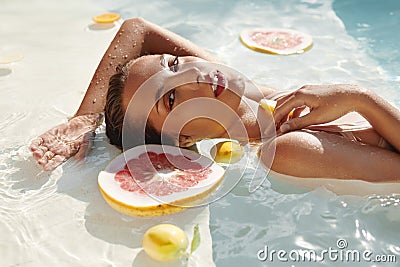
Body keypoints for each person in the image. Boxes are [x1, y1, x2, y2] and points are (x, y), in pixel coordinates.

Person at [30, 17, 400, 182]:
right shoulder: (289, 150)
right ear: (185, 140)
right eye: (172, 97)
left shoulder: (247, 90)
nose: (195, 73)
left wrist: (84, 118)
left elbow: (136, 30)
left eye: (173, 63)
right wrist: (359, 98)